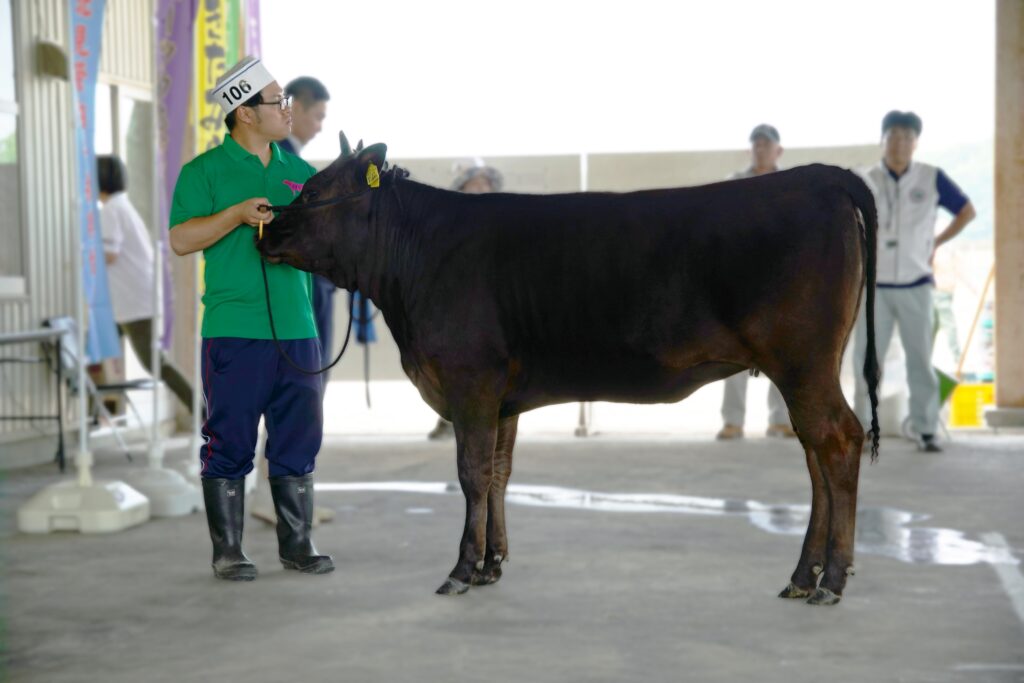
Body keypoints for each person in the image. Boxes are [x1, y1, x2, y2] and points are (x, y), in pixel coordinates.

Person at [169, 56, 333, 580]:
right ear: (244, 114)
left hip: (298, 330)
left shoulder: (299, 173)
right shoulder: (204, 173)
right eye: (277, 102)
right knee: (230, 437)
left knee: (299, 436)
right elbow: (180, 240)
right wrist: (236, 214)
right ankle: (229, 551)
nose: (288, 111)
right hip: (234, 331)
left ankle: (297, 544)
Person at [854, 111, 976, 453]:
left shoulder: (931, 177)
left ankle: (925, 429)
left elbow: (966, 211)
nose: (900, 143)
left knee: (919, 360)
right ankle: (862, 428)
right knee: (866, 360)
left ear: (916, 142)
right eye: (893, 135)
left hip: (917, 284)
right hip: (874, 287)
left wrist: (936, 242)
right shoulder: (866, 179)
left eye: (907, 137)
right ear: (883, 139)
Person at [716, 124, 796, 441]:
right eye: (757, 144)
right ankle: (732, 421)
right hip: (742, 281)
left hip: (781, 282)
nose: (761, 148)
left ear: (779, 150)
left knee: (782, 354)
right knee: (735, 354)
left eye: (767, 144)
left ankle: (780, 420)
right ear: (751, 149)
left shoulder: (791, 186)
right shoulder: (733, 185)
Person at [98, 154, 194, 415]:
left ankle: (203, 411)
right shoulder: (122, 206)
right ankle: (99, 410)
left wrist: (83, 250)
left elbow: (109, 254)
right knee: (94, 347)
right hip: (133, 297)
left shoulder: (110, 211)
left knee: (155, 363)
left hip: (132, 301)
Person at [426, 160, 504, 441]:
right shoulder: (448, 223)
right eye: (476, 183)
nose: (481, 188)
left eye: (486, 183)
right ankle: (449, 419)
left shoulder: (500, 221)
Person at [279, 76, 336, 380]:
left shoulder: (283, 157)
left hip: (296, 285)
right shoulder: (285, 162)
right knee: (309, 373)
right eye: (318, 116)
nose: (320, 127)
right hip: (303, 284)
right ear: (297, 107)